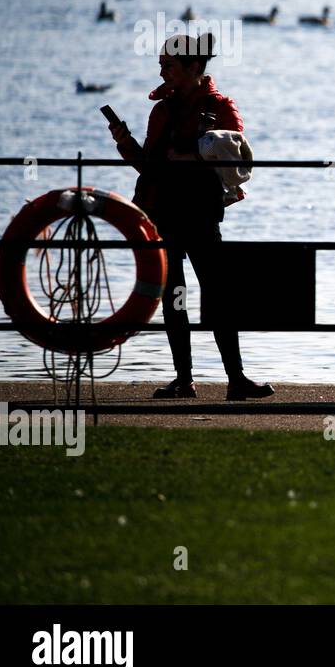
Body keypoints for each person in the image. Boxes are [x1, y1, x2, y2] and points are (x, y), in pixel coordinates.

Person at [108, 33, 273, 401]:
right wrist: (124, 142)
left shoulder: (222, 109)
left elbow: (235, 158)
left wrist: (190, 159)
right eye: (161, 65)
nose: (162, 71)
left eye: (169, 65)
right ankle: (184, 380)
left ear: (193, 67)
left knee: (218, 295)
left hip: (200, 215)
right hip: (161, 215)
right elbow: (148, 168)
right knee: (175, 297)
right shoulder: (161, 110)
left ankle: (237, 379)